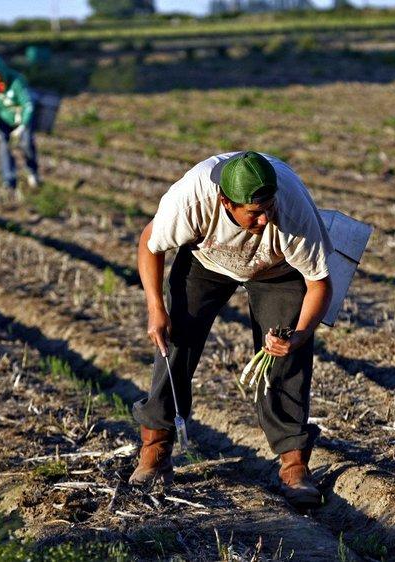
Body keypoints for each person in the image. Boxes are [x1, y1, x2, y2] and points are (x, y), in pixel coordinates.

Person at [130, 151, 333, 509]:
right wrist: (156, 309)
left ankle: (294, 464)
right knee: (176, 342)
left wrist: (300, 335)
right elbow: (150, 244)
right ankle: (155, 451)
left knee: (284, 356)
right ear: (226, 202)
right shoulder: (191, 200)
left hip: (277, 269)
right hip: (206, 259)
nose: (264, 217)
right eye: (254, 212)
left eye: (268, 207)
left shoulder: (293, 212)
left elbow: (319, 284)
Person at [0, 54, 40, 194]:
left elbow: (27, 104)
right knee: (4, 146)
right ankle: (9, 180)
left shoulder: (16, 81)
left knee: (27, 144)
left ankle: (32, 172)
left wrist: (23, 126)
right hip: (4, 120)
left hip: (21, 119)